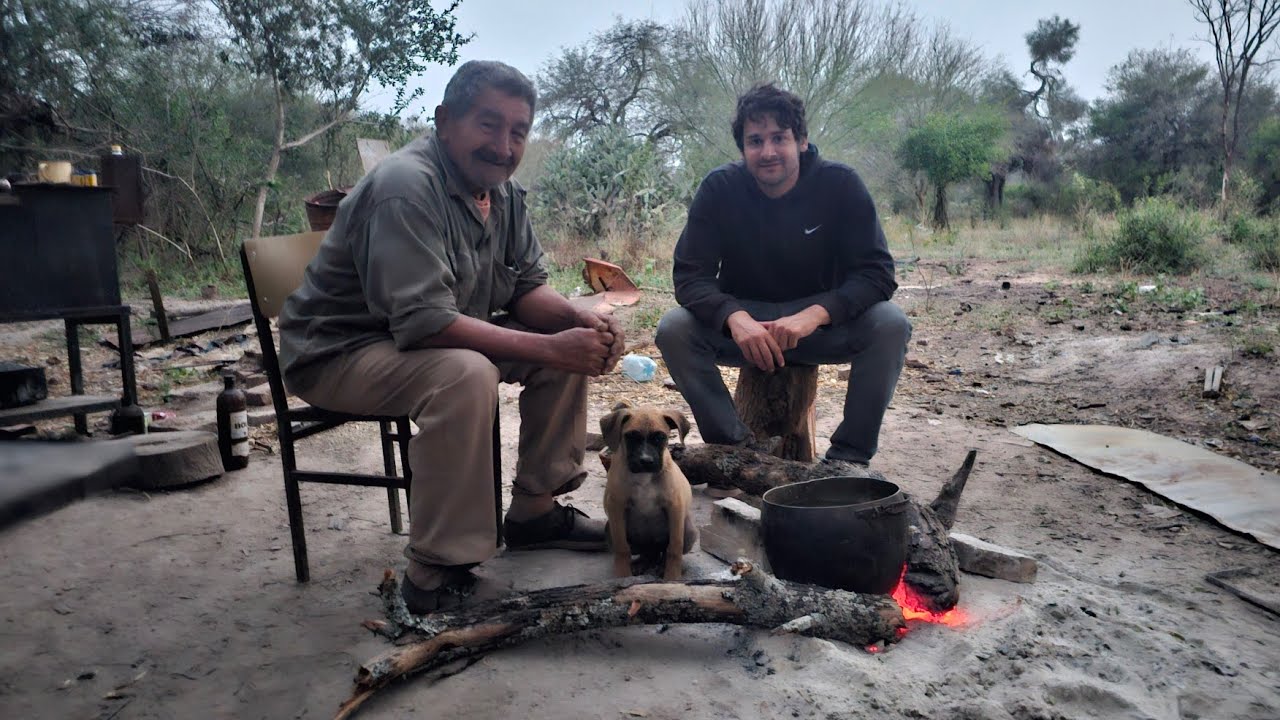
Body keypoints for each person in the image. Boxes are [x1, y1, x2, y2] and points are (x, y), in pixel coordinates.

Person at [277, 61, 625, 613]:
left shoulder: (503, 194)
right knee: (467, 373)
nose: (503, 145)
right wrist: (550, 344)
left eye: (518, 131)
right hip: (337, 352)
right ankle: (435, 573)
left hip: (424, 339)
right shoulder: (406, 188)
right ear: (444, 121)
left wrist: (576, 324)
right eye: (488, 124)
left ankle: (534, 513)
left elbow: (527, 288)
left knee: (558, 347)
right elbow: (425, 323)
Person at [655, 83, 909, 467]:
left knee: (891, 323)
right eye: (755, 141)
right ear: (742, 148)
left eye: (779, 138)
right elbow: (690, 276)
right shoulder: (719, 189)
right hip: (746, 328)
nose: (768, 151)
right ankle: (736, 452)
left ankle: (848, 459)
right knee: (673, 328)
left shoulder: (840, 185)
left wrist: (814, 315)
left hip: (820, 327)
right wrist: (734, 318)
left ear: (802, 141)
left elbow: (877, 274)